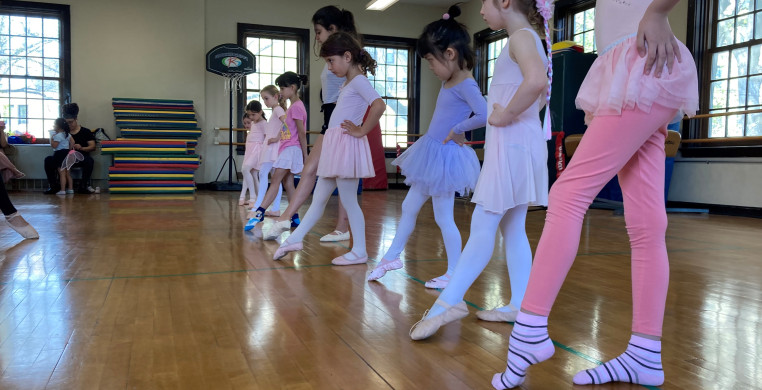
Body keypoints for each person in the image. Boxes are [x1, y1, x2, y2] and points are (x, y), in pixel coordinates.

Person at [493, 0, 699, 388]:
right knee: (646, 223)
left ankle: (529, 328)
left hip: (640, 62)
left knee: (569, 192)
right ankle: (644, 353)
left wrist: (656, 12)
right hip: (635, 64)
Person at [409, 0, 552, 341]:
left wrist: (503, 116)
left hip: (514, 140)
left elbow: (535, 83)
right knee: (512, 226)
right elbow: (540, 90)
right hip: (520, 140)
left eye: (485, 2)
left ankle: (450, 302)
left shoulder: (521, 37)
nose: (482, 9)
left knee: (484, 222)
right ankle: (519, 304)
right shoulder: (525, 37)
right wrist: (515, 115)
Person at [367, 4, 485, 289]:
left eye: (431, 61)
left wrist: (458, 129)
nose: (430, 68)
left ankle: (455, 271)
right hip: (431, 151)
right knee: (409, 206)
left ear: (450, 54)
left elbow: (484, 113)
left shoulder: (466, 83)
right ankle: (391, 257)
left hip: (444, 158)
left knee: (443, 216)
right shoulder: (451, 80)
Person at [271, 32, 385, 265]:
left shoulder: (360, 81)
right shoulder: (348, 83)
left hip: (345, 145)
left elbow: (379, 105)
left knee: (349, 200)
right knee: (319, 198)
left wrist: (362, 130)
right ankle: (296, 238)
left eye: (331, 61)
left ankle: (360, 251)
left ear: (347, 56)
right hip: (336, 145)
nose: (330, 68)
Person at [249, 6, 361, 242]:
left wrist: (357, 125)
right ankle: (293, 222)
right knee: (319, 175)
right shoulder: (335, 57)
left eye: (319, 32)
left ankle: (294, 221)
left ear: (332, 29)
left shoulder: (347, 57)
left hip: (339, 119)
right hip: (331, 118)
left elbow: (360, 92)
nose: (317, 37)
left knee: (323, 174)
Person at [244, 72, 307, 231]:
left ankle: (259, 212)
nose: (280, 92)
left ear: (292, 88)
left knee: (276, 180)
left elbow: (301, 133)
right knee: (288, 183)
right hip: (288, 148)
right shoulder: (293, 107)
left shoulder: (296, 107)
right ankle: (295, 217)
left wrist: (306, 155)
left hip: (291, 149)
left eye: (283, 88)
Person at [44, 103, 96, 194]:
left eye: (70, 122)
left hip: (78, 157)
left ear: (76, 119)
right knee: (48, 160)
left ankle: (83, 186)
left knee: (89, 160)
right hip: (62, 158)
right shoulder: (61, 133)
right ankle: (54, 186)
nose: (68, 125)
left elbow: (92, 146)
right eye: (66, 123)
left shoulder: (85, 131)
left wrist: (81, 148)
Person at [253, 85, 284, 215]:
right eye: (263, 99)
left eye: (266, 98)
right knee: (275, 178)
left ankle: (258, 206)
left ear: (275, 97)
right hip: (271, 146)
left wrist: (277, 137)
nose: (265, 102)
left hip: (273, 147)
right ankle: (275, 208)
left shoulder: (277, 109)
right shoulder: (275, 110)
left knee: (263, 174)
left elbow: (287, 123)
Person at [239, 104, 266, 206]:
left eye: (252, 115)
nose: (251, 117)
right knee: (253, 174)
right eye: (249, 115)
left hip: (257, 150)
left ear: (260, 112)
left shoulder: (264, 123)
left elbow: (266, 139)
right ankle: (260, 198)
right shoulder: (254, 124)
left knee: (245, 169)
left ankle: (253, 197)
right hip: (250, 151)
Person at [50, 118, 75, 195]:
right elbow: (73, 142)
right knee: (68, 173)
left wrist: (51, 139)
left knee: (61, 173)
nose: (53, 126)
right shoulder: (67, 134)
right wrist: (69, 149)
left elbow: (54, 146)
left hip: (59, 155)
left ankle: (63, 190)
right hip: (67, 153)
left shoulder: (57, 136)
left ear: (58, 126)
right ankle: (70, 189)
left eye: (54, 124)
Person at [0, 118, 25, 183]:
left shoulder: (2, 133)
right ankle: (14, 169)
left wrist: (1, 130)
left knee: (1, 155)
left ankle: (12, 170)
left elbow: (3, 145)